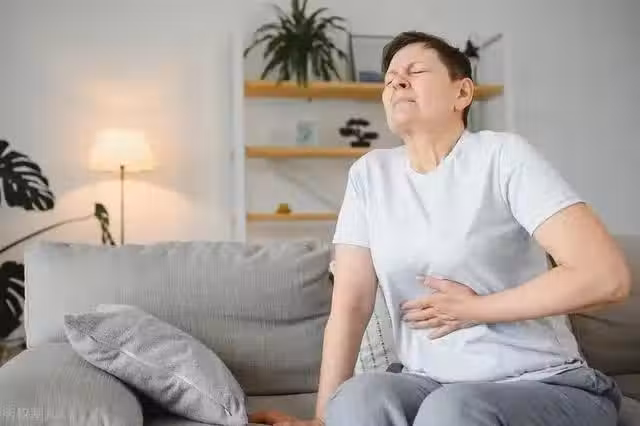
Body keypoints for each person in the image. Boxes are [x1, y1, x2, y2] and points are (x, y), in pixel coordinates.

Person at [271, 31, 630, 426]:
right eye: (390, 79)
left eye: (415, 71)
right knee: (357, 399)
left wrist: (476, 309)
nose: (397, 82)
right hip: (429, 383)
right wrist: (322, 418)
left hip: (542, 381)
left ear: (462, 93)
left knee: (453, 409)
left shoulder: (502, 156)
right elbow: (351, 306)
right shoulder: (369, 175)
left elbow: (605, 277)